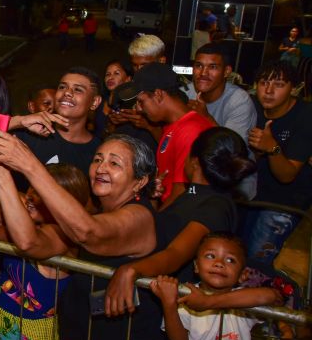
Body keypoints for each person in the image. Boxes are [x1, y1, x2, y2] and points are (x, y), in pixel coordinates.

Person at [0, 131, 160, 340]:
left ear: (140, 181)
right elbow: (28, 241)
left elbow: (89, 233)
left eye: (115, 163)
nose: (101, 168)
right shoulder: (93, 212)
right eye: (98, 159)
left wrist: (28, 164)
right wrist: (2, 176)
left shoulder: (139, 217)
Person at [105, 127, 257, 314]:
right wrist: (152, 199)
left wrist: (131, 270)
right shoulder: (193, 193)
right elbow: (161, 229)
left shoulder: (216, 207)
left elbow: (175, 254)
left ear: (194, 162)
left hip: (175, 309)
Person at [0, 164, 88, 340]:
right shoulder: (26, 223)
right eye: (30, 189)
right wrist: (7, 192)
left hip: (37, 336)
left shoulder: (63, 236)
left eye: (39, 192)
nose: (30, 197)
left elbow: (29, 242)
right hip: (4, 326)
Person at [151, 232, 283, 340]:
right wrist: (169, 304)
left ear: (243, 275)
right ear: (196, 266)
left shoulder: (242, 302)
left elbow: (271, 295)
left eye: (230, 260)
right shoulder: (186, 296)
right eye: (210, 256)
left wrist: (207, 302)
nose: (219, 263)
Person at [243, 60, 312, 267]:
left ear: (294, 88)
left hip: (283, 204)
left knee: (255, 263)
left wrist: (271, 148)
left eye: (279, 85)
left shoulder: (305, 116)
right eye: (264, 83)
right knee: (235, 255)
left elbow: (287, 175)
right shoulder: (251, 106)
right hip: (249, 196)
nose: (269, 91)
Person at [117, 62, 212, 209]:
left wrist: (156, 223)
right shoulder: (171, 126)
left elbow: (182, 192)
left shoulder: (191, 130)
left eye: (142, 102)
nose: (140, 109)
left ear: (158, 94)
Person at [184, 43, 257, 198]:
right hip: (196, 180)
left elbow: (231, 152)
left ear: (227, 71)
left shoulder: (239, 101)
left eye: (213, 67)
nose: (203, 73)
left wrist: (206, 118)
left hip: (232, 187)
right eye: (198, 66)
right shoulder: (186, 92)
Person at [12, 67, 100, 191]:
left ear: (95, 102)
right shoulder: (31, 132)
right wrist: (18, 121)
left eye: (78, 89)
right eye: (62, 87)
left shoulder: (98, 153)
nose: (67, 93)